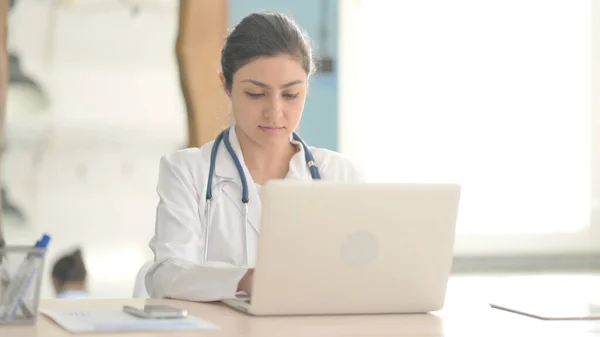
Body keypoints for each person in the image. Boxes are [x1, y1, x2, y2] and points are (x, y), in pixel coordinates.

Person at [145, 11, 364, 302]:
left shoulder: (339, 175)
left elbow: (361, 273)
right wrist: (247, 280)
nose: (274, 112)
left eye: (290, 95)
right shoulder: (188, 171)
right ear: (226, 84)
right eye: (255, 94)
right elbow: (165, 277)